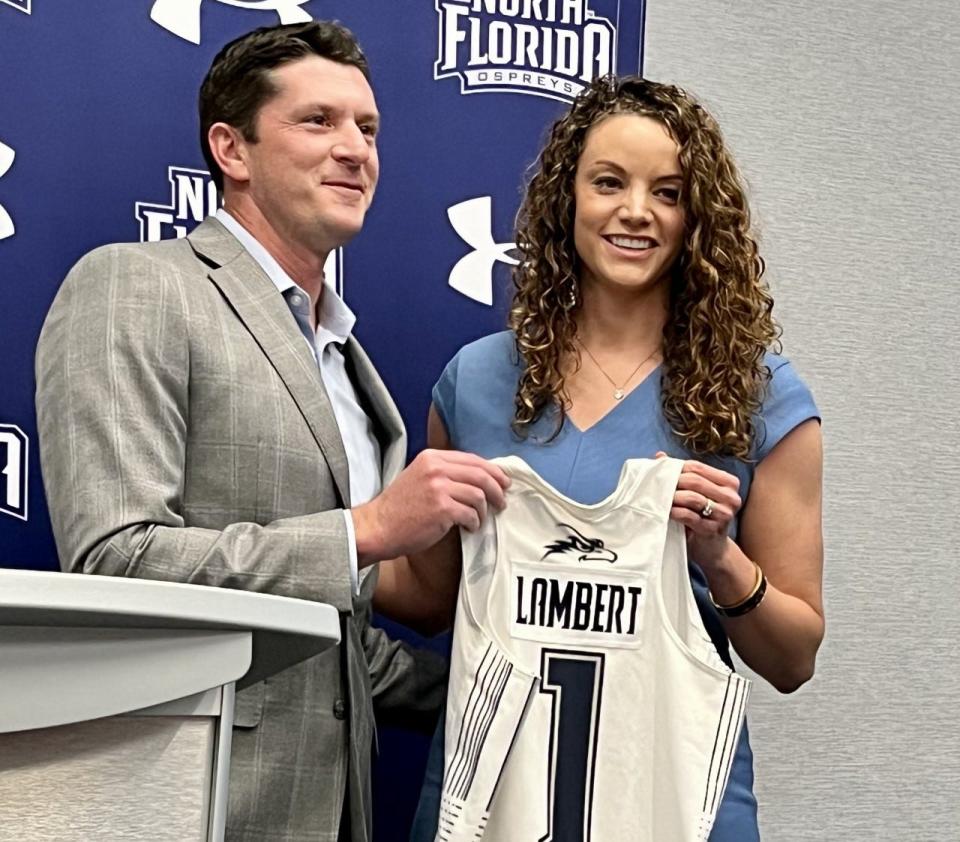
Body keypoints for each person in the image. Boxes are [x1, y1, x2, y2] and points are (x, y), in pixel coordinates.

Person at [34, 21, 509, 842]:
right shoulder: (136, 286)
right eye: (317, 121)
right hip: (185, 800)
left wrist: (505, 697)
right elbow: (117, 560)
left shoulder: (351, 367)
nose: (355, 149)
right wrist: (365, 532)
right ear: (232, 149)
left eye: (368, 128)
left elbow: (328, 643)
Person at [405, 75, 825, 841]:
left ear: (698, 217)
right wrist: (364, 529)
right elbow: (427, 599)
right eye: (608, 182)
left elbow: (796, 657)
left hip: (676, 804)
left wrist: (718, 556)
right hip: (491, 805)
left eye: (668, 191)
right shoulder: (476, 381)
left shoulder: (759, 395)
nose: (636, 210)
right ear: (568, 199)